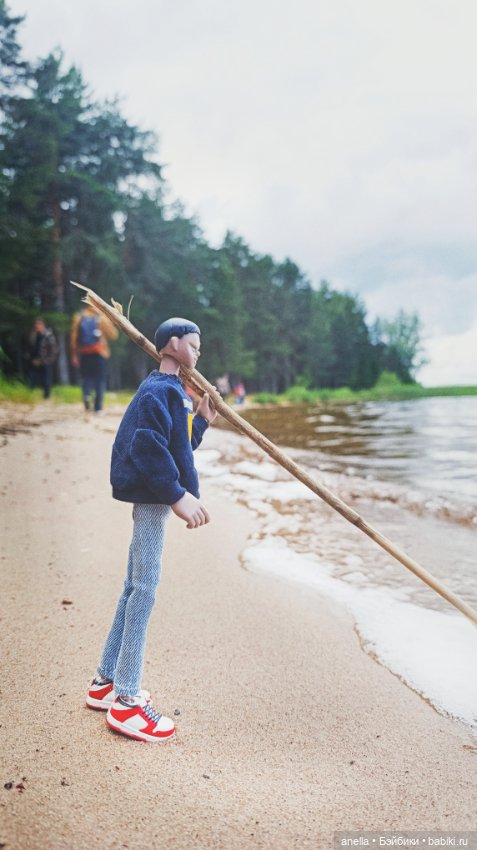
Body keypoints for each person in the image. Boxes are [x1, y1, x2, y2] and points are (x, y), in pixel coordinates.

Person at [86, 317, 217, 742]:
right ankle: (126, 703)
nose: (198, 353)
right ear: (172, 344)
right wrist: (179, 497)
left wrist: (201, 421)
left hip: (155, 494)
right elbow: (147, 446)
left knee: (133, 588)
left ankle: (105, 681)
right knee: (144, 590)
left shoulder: (173, 393)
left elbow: (175, 444)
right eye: (194, 345)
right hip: (151, 498)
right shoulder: (158, 391)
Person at [70, 305, 118, 412]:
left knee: (86, 377)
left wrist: (74, 355)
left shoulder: (79, 317)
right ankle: (97, 407)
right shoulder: (101, 317)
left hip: (85, 352)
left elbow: (73, 338)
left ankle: (87, 395)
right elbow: (113, 335)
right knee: (100, 380)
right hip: (99, 352)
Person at [26, 318, 58, 399]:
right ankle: (29, 395)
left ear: (43, 325)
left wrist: (48, 360)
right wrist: (31, 359)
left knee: (46, 380)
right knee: (32, 378)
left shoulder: (48, 335)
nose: (37, 327)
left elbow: (53, 349)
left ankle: (46, 396)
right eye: (36, 325)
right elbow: (30, 348)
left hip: (46, 361)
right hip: (35, 360)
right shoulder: (33, 335)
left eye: (39, 325)